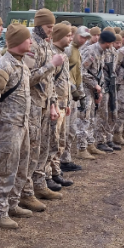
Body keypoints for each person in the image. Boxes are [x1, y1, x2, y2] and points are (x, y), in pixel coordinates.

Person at [0, 24, 39, 226]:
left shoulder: (22, 64)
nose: (31, 42)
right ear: (18, 41)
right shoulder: (3, 66)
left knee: (21, 166)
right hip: (7, 126)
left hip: (22, 124)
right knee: (4, 168)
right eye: (28, 39)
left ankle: (12, 203)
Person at [20, 9, 66, 202]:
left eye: (53, 26)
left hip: (46, 105)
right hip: (33, 106)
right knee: (31, 151)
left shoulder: (46, 45)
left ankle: (40, 184)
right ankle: (26, 191)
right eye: (48, 26)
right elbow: (27, 78)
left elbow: (50, 81)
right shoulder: (31, 46)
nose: (51, 30)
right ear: (39, 25)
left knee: (44, 148)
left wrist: (53, 104)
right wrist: (51, 65)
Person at [46, 23, 75, 188]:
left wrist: (68, 102)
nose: (70, 38)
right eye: (68, 35)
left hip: (63, 104)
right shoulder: (52, 54)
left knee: (60, 142)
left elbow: (65, 81)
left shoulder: (63, 54)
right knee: (52, 142)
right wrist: (54, 104)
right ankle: (48, 175)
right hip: (55, 105)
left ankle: (56, 172)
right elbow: (50, 82)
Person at [82, 30, 117, 150]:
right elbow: (81, 71)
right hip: (86, 88)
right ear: (107, 43)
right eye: (111, 43)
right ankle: (84, 147)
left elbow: (99, 72)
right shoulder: (91, 51)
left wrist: (100, 89)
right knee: (86, 118)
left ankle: (92, 144)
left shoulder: (102, 52)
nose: (111, 46)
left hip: (96, 89)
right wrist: (94, 84)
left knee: (94, 117)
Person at [63, 26, 90, 168]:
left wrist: (81, 94)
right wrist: (73, 89)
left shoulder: (77, 51)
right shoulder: (68, 50)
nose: (84, 40)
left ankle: (66, 158)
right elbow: (62, 73)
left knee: (72, 129)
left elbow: (78, 74)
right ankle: (62, 160)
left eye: (86, 38)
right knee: (66, 129)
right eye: (82, 37)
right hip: (66, 93)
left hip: (73, 94)